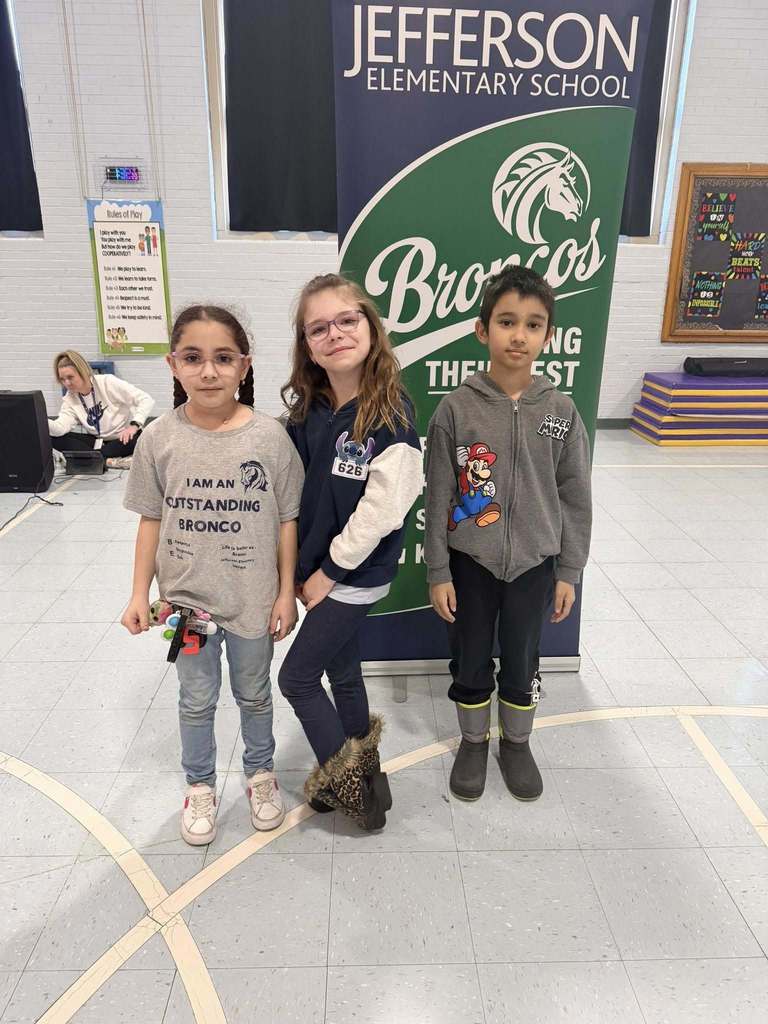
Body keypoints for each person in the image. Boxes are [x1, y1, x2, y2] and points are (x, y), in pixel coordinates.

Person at [120, 306, 304, 845]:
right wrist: (138, 593)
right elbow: (151, 522)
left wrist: (285, 592)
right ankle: (199, 785)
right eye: (194, 359)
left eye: (223, 359)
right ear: (173, 364)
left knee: (254, 694)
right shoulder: (158, 439)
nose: (209, 372)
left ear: (244, 366)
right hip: (186, 607)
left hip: (252, 599)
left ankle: (260, 775)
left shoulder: (270, 438)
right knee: (195, 700)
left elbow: (287, 522)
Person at [424, 266, 592, 803]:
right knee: (470, 654)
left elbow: (574, 494)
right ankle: (474, 741)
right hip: (470, 561)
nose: (519, 335)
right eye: (506, 321)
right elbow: (437, 496)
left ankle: (515, 744)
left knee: (523, 656)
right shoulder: (456, 408)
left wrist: (568, 568)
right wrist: (438, 570)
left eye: (533, 324)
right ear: (482, 331)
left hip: (534, 564)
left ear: (547, 335)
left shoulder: (561, 412)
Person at [278, 273, 422, 831]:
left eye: (347, 319)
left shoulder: (391, 414)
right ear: (307, 344)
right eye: (319, 327)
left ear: (370, 326)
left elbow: (381, 513)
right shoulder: (307, 412)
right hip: (317, 569)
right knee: (343, 675)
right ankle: (373, 776)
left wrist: (326, 576)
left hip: (354, 574)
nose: (334, 333)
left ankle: (352, 789)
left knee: (296, 679)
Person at [49, 350, 154, 463]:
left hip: (123, 438)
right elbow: (60, 428)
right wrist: (40, 420)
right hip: (98, 441)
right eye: (62, 379)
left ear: (82, 372)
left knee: (137, 440)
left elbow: (146, 399)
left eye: (70, 377)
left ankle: (92, 458)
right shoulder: (70, 398)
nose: (67, 383)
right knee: (53, 438)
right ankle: (99, 458)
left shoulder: (107, 382)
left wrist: (134, 426)